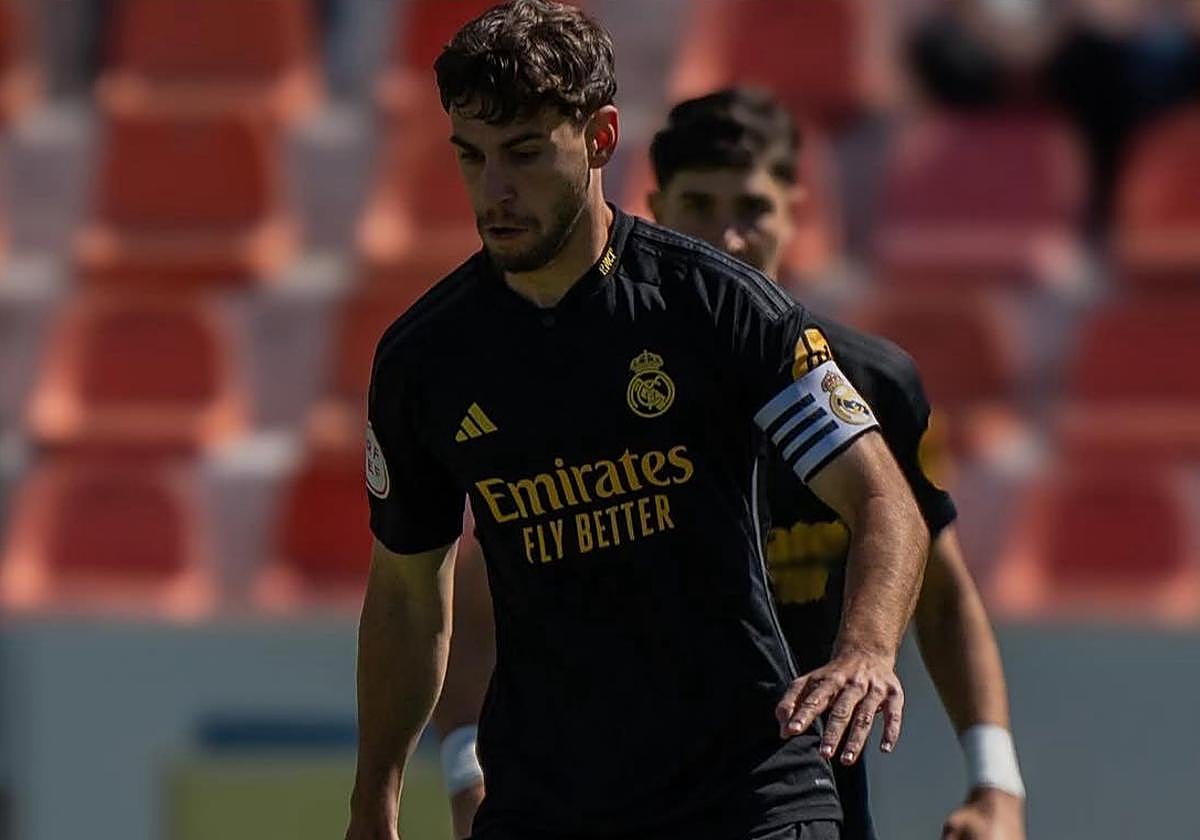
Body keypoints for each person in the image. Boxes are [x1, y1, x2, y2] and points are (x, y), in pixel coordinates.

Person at [343, 2, 931, 839]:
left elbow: (882, 500)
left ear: (601, 139)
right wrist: (375, 797)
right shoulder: (424, 363)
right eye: (471, 159)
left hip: (748, 791)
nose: (495, 191)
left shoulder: (719, 307)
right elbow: (407, 593)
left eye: (524, 154)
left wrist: (867, 648)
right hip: (550, 803)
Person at [434, 87, 1028, 840]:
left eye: (752, 208)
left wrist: (995, 784)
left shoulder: (873, 387)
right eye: (700, 206)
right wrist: (467, 773)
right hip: (619, 795)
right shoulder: (592, 383)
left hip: (802, 803)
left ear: (795, 210)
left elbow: (939, 595)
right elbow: (487, 599)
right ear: (654, 207)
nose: (730, 236)